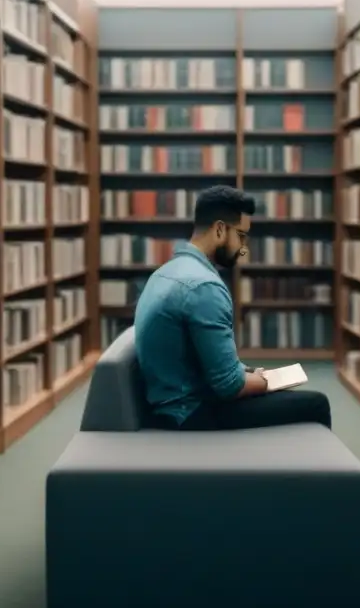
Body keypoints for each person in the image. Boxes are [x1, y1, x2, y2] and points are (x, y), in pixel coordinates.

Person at [133, 184, 332, 431]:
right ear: (219, 229)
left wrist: (248, 372)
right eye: (241, 236)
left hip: (171, 400)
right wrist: (265, 381)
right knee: (317, 404)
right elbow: (230, 386)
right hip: (190, 412)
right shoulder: (204, 287)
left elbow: (202, 358)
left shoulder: (166, 272)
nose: (244, 248)